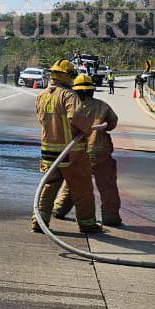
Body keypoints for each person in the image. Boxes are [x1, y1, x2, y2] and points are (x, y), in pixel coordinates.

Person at [32, 60, 100, 235]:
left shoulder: (41, 96)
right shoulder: (69, 96)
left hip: (48, 153)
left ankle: (39, 221)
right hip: (72, 153)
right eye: (71, 75)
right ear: (66, 76)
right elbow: (76, 117)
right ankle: (87, 224)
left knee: (48, 188)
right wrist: (86, 130)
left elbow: (42, 120)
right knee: (82, 189)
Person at [54, 74, 122, 227]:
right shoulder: (102, 106)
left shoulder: (72, 106)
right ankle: (110, 216)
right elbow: (112, 122)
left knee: (74, 183)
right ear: (91, 90)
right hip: (100, 152)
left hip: (77, 151)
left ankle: (59, 208)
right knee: (107, 185)